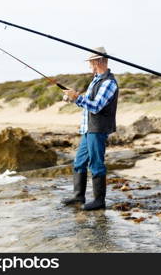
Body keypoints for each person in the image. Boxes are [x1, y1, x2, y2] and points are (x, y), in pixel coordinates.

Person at [61, 47, 119, 211]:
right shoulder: (95, 79)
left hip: (98, 129)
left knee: (96, 164)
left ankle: (99, 201)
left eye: (91, 62)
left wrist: (77, 97)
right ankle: (78, 197)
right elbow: (88, 101)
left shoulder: (109, 83)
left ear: (98, 61)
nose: (89, 65)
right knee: (79, 162)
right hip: (88, 129)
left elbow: (96, 107)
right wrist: (74, 98)